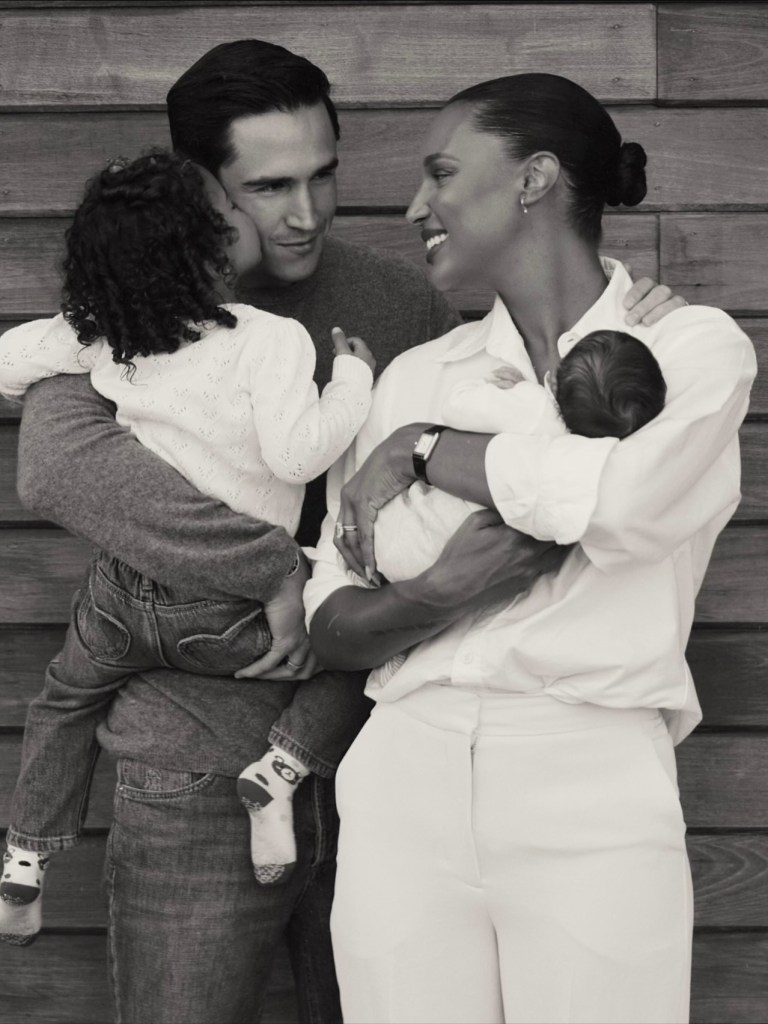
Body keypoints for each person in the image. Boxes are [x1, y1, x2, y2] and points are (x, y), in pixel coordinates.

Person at [11, 39, 680, 1023]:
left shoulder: (397, 304)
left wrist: (625, 324)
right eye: (268, 187)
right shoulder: (135, 303)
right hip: (194, 767)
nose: (306, 213)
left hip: (382, 759)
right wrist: (275, 570)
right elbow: (62, 468)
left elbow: (513, 429)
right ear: (200, 189)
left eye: (322, 176)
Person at [305, 73, 756, 1024]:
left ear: (534, 178)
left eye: (440, 174)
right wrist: (436, 595)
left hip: (591, 772)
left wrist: (425, 450)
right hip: (402, 776)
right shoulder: (415, 377)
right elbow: (333, 622)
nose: (415, 205)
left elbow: (622, 507)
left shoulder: (692, 350)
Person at [0, 146, 379, 944]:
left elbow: (7, 364)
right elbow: (298, 458)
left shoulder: (106, 335)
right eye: (230, 207)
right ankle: (279, 772)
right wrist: (352, 380)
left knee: (65, 699)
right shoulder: (269, 338)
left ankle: (26, 854)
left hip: (122, 593)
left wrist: (84, 330)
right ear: (212, 244)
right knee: (364, 648)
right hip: (227, 610)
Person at [371, 328, 666, 585]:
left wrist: (492, 386)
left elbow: (456, 407)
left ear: (553, 383)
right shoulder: (586, 454)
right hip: (460, 552)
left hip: (412, 533)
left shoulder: (533, 406)